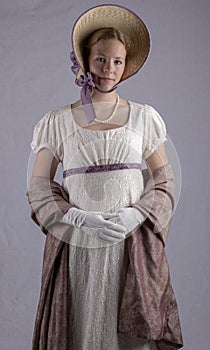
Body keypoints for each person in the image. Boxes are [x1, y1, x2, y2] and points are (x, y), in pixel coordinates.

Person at [27, 4, 183, 350]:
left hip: (130, 246)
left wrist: (136, 214)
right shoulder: (56, 122)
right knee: (81, 328)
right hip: (78, 248)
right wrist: (75, 215)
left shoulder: (144, 118)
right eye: (101, 59)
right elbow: (37, 187)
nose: (109, 69)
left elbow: (165, 180)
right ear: (84, 59)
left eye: (117, 61)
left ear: (126, 64)